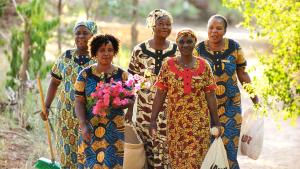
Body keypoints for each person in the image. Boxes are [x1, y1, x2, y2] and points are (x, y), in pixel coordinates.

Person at [149, 28, 222, 168]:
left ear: (195, 43)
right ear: (177, 44)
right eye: (182, 42)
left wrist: (216, 122)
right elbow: (160, 94)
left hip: (199, 124)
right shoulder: (168, 66)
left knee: (196, 160)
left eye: (189, 41)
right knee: (177, 160)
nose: (186, 45)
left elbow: (211, 96)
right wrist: (153, 120)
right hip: (176, 124)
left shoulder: (204, 66)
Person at [195, 15, 259, 169]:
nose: (214, 31)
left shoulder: (234, 47)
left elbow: (242, 74)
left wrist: (255, 99)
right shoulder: (199, 49)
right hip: (206, 108)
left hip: (231, 106)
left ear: (224, 31)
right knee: (207, 149)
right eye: (211, 27)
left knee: (230, 149)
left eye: (218, 28)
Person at [40, 20, 97, 169]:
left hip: (89, 115)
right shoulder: (65, 56)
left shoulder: (98, 58)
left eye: (85, 33)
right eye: (77, 33)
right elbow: (54, 82)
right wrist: (46, 106)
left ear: (93, 35)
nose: (80, 36)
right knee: (66, 152)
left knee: (87, 154)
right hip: (65, 114)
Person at [74, 34, 135, 169]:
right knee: (89, 164)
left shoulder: (123, 75)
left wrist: (124, 105)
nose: (106, 53)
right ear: (95, 52)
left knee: (113, 163)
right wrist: (83, 124)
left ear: (115, 52)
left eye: (110, 50)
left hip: (115, 129)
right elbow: (79, 101)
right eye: (102, 50)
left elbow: (131, 98)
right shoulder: (85, 74)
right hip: (90, 127)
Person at [127, 9, 178, 169]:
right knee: (146, 150)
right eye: (160, 23)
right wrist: (130, 109)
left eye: (168, 24)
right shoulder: (139, 50)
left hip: (170, 111)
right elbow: (131, 83)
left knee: (169, 151)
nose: (165, 27)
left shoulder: (177, 50)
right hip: (145, 112)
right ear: (152, 25)